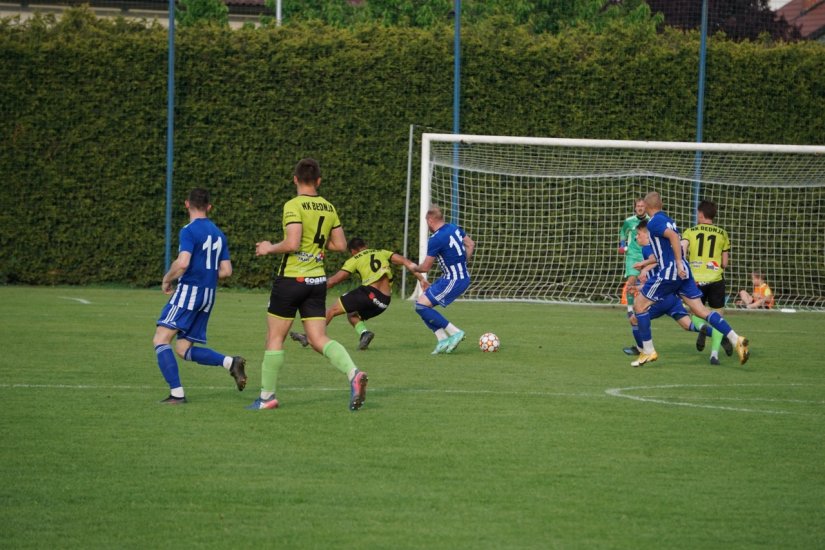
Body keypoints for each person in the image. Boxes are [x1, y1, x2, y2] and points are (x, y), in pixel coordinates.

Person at [247, 158, 368, 411]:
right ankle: (353, 373)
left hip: (291, 280)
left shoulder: (293, 205)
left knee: (275, 337)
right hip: (316, 281)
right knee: (318, 338)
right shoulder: (328, 207)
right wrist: (316, 247)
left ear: (295, 179)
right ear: (319, 181)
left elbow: (292, 243)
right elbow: (339, 245)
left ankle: (267, 397)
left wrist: (269, 248)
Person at [630, 192, 749, 367]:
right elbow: (670, 247)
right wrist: (647, 262)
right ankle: (735, 338)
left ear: (647, 207)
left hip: (671, 272)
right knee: (701, 311)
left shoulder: (654, 222)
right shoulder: (668, 220)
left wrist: (677, 263)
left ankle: (648, 351)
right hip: (682, 271)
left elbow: (672, 238)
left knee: (639, 306)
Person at [153, 188, 247, 404]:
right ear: (209, 207)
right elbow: (226, 271)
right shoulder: (218, 233)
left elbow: (183, 262)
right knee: (183, 349)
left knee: (160, 338)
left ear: (187, 204)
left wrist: (167, 278)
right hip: (208, 295)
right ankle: (230, 363)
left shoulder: (188, 231)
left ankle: (177, 394)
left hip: (190, 292)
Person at [290, 237, 428, 350]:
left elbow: (334, 281)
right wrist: (421, 279)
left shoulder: (355, 259)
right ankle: (364, 333)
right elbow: (406, 262)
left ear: (353, 251)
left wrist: (310, 288)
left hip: (369, 293)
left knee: (331, 310)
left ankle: (308, 338)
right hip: (384, 302)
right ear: (365, 245)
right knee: (352, 314)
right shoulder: (382, 252)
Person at [624, 220, 714, 355]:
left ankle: (641, 350)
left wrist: (644, 268)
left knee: (635, 319)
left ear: (647, 235)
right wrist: (641, 285)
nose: (637, 237)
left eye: (638, 234)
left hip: (659, 298)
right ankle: (718, 334)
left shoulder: (648, 248)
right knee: (687, 325)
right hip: (671, 295)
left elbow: (654, 259)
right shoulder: (662, 248)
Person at [410, 205, 475, 354]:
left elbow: (426, 267)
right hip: (456, 277)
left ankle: (455, 332)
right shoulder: (454, 228)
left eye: (427, 222)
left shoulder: (436, 239)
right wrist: (462, 263)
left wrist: (414, 267)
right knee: (420, 305)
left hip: (453, 280)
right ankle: (442, 339)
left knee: (422, 307)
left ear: (431, 220)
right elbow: (470, 244)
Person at [681, 200, 734, 365]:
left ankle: (703, 328)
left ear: (701, 214)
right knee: (717, 317)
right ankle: (714, 356)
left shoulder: (690, 232)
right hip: (716, 279)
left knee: (696, 312)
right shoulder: (722, 233)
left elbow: (682, 250)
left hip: (695, 280)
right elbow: (725, 263)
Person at [619, 198, 649, 355]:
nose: (640, 208)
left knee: (648, 282)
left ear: (646, 208)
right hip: (632, 256)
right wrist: (622, 245)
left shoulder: (651, 221)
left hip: (646, 255)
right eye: (638, 206)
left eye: (642, 206)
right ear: (635, 208)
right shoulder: (629, 221)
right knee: (631, 281)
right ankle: (630, 308)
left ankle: (649, 305)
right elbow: (622, 233)